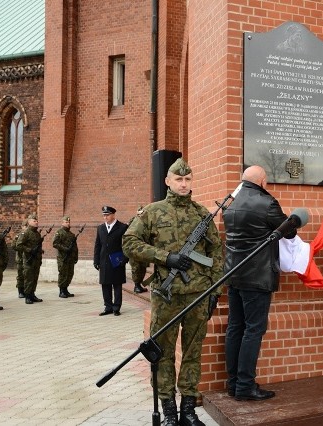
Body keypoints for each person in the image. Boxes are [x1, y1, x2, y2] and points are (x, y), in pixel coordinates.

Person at [122, 158, 223, 426]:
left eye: (188, 179)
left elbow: (217, 252)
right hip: (166, 297)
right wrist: (167, 257)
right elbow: (129, 242)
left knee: (193, 352)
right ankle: (168, 412)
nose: (183, 184)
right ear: (168, 181)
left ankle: (188, 410)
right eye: (178, 179)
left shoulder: (202, 214)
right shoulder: (152, 212)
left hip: (198, 295)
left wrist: (215, 289)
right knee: (163, 352)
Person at [222, 165, 296, 401]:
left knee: (235, 327)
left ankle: (233, 383)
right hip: (256, 277)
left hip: (233, 275)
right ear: (263, 181)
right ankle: (245, 385)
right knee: (253, 330)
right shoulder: (266, 203)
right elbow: (289, 230)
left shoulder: (231, 204)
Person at [93, 205, 128, 316]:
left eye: (107, 215)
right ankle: (108, 306)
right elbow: (97, 245)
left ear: (113, 215)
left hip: (117, 260)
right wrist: (96, 260)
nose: (105, 217)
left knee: (117, 285)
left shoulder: (122, 227)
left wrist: (124, 259)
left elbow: (127, 245)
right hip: (104, 260)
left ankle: (116, 307)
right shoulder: (101, 228)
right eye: (104, 215)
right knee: (105, 284)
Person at [15, 214, 45, 304]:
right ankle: (27, 295)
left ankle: (32, 294)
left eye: (36, 221)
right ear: (29, 222)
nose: (36, 222)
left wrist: (40, 251)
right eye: (34, 221)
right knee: (28, 278)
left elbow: (38, 246)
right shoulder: (26, 233)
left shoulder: (37, 234)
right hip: (28, 259)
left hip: (36, 259)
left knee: (35, 277)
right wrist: (29, 250)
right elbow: (19, 245)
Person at [52, 215, 78, 298]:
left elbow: (75, 247)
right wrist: (65, 249)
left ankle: (66, 289)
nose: (68, 223)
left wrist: (75, 257)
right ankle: (61, 291)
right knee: (63, 273)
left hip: (70, 258)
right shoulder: (59, 232)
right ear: (62, 223)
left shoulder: (71, 234)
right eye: (66, 222)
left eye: (69, 222)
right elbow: (55, 243)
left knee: (70, 274)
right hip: (62, 257)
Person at [128, 206, 149, 294]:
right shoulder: (133, 221)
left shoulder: (146, 221)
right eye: (139, 212)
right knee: (136, 267)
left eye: (142, 212)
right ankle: (136, 285)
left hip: (144, 247)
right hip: (135, 248)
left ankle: (139, 285)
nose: (141, 214)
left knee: (143, 268)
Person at [11, 220, 27, 298]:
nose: (26, 228)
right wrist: (23, 248)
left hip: (28, 259)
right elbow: (13, 245)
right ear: (22, 227)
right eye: (25, 226)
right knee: (21, 275)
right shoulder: (18, 236)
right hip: (20, 259)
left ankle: (28, 290)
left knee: (28, 275)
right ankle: (20, 291)